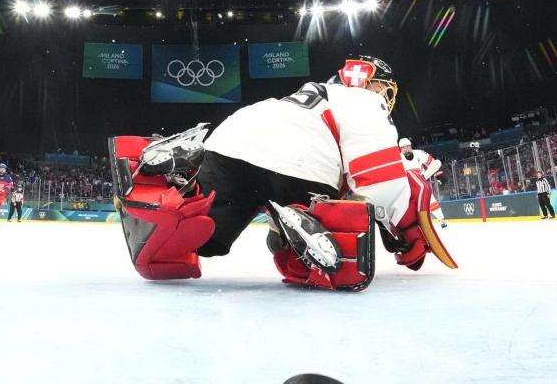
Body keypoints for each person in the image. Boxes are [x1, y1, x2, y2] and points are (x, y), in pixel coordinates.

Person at [113, 55, 456, 291]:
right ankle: (298, 223)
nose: (384, 95)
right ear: (368, 83)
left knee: (206, 237)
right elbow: (379, 182)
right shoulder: (364, 101)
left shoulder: (315, 94)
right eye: (382, 86)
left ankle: (172, 181)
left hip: (232, 138)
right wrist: (403, 229)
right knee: (332, 252)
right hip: (301, 161)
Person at [398, 138, 448, 228]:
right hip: (407, 184)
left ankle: (441, 220)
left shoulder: (420, 153)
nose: (406, 149)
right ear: (400, 149)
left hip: (421, 180)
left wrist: (438, 175)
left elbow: (433, 163)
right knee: (409, 205)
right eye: (403, 147)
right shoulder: (397, 158)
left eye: (407, 146)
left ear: (411, 146)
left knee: (430, 199)